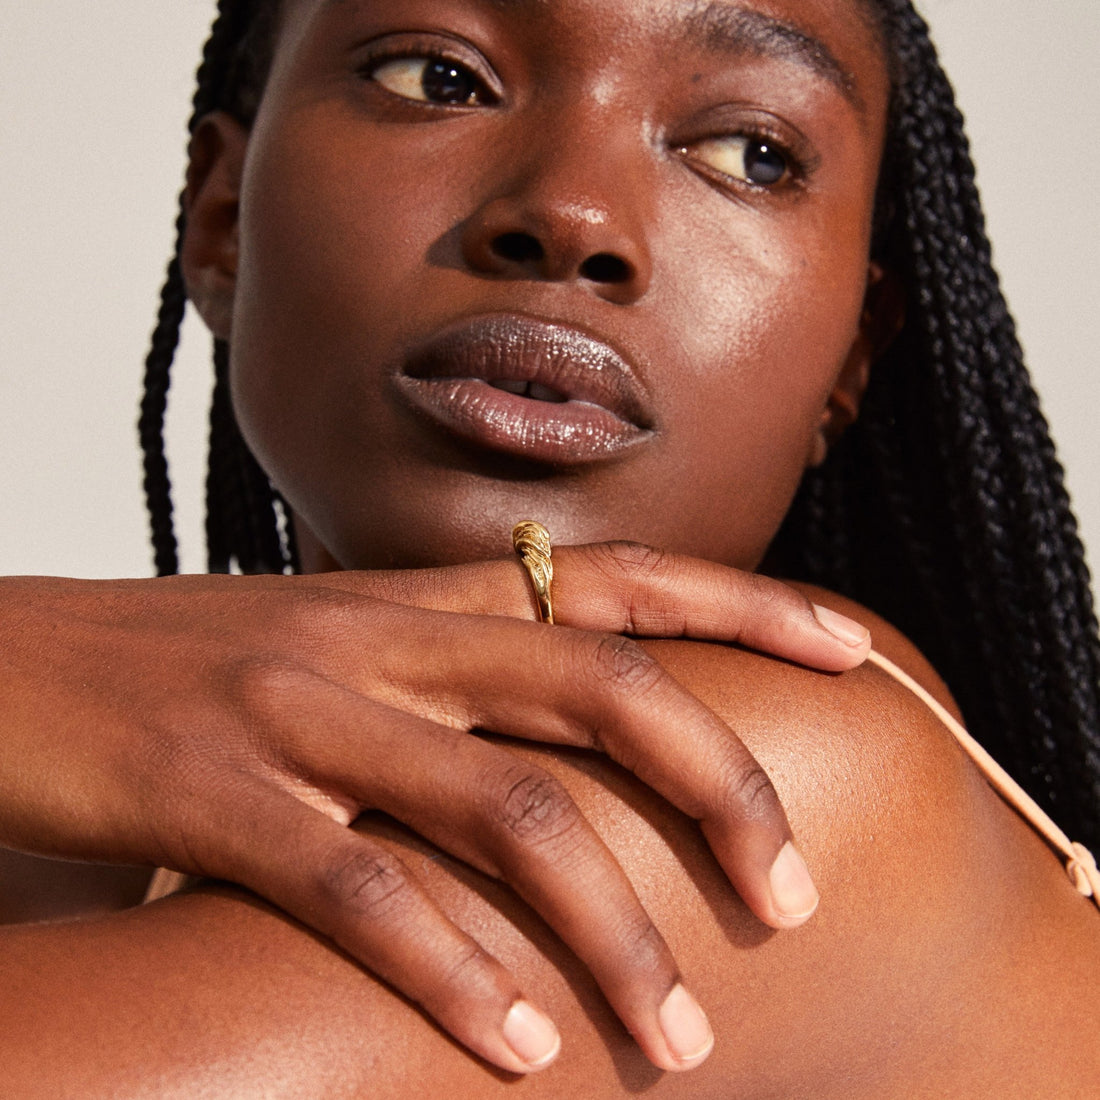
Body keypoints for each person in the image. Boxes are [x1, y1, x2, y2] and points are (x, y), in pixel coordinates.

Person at [1, 0, 1098, 1093]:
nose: (572, 216)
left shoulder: (792, 780)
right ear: (222, 217)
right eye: (438, 78)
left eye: (748, 154)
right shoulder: (73, 846)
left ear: (851, 356)